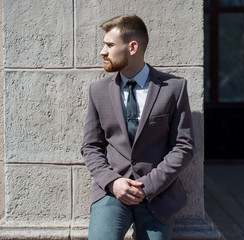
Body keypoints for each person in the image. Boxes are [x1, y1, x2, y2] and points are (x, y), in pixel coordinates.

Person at [81, 14, 194, 240]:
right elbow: (91, 146)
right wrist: (113, 183)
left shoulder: (173, 88)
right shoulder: (98, 91)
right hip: (112, 192)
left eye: (110, 45)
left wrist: (148, 185)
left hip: (158, 194)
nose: (103, 51)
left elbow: (184, 146)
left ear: (132, 47)